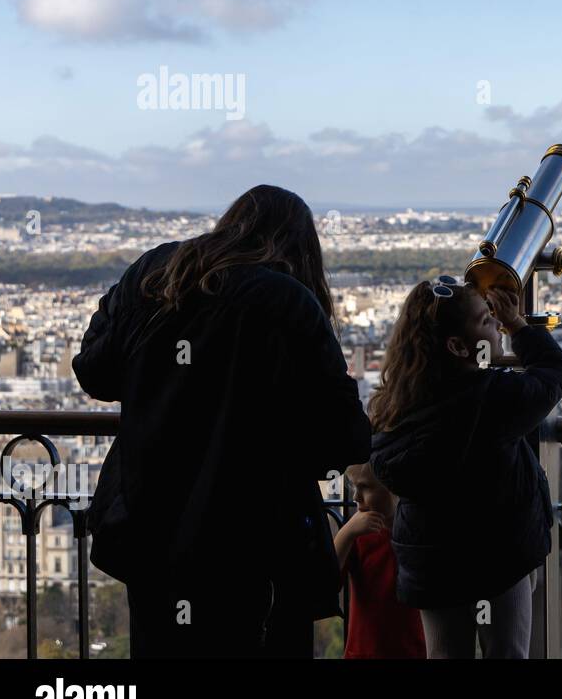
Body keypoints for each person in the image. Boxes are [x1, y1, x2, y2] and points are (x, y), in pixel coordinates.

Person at [73, 185, 372, 658]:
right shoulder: (291, 304)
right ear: (301, 248)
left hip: (151, 531)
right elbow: (346, 439)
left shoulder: (155, 273)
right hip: (256, 543)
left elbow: (94, 371)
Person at [368, 277, 562, 658]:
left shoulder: (394, 409)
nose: (494, 324)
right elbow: (555, 374)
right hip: (497, 556)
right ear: (458, 346)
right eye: (485, 320)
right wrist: (519, 326)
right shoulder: (491, 400)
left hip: (433, 562)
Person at [334, 462, 427, 658]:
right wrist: (346, 533)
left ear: (392, 487)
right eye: (353, 486)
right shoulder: (358, 534)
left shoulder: (416, 535)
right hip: (364, 653)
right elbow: (327, 579)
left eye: (365, 486)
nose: (355, 496)